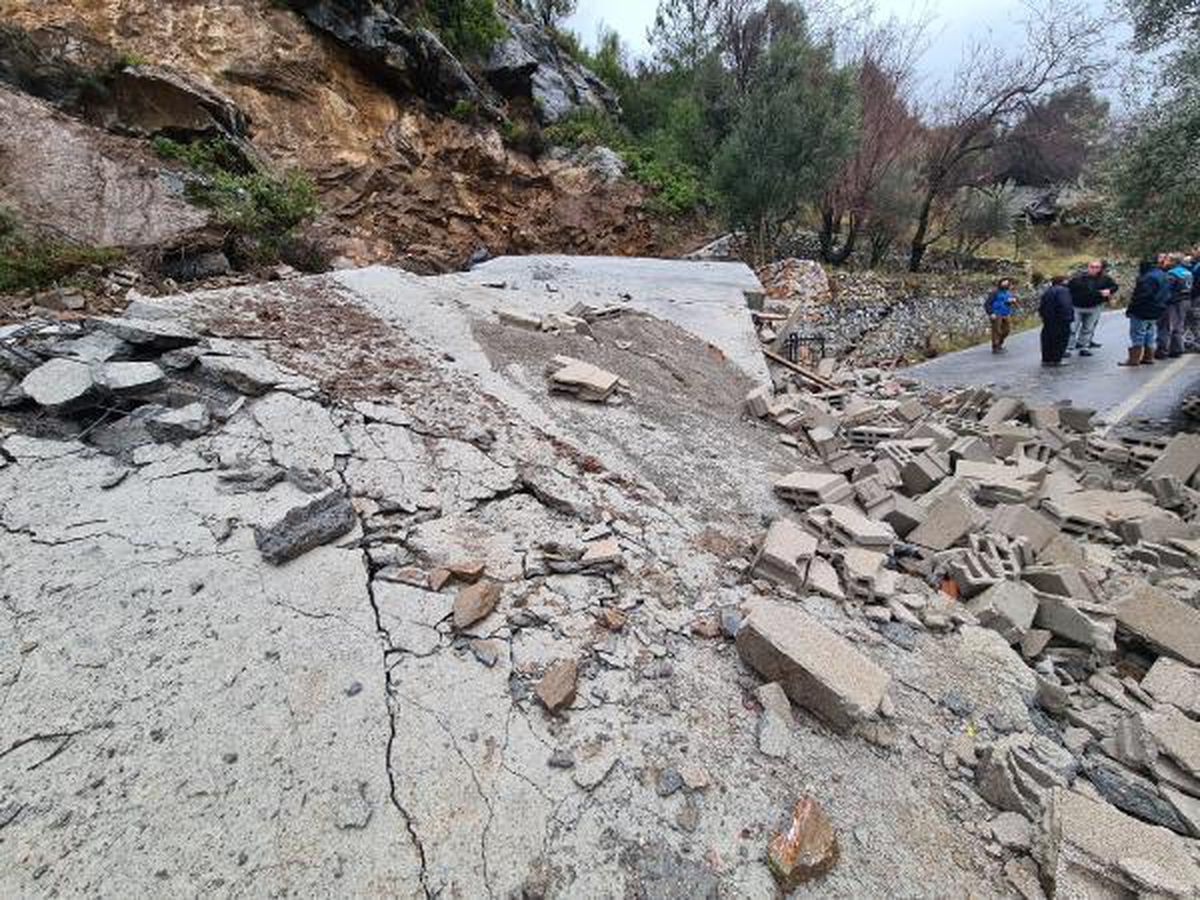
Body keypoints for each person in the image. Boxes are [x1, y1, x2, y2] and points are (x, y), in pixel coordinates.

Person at [1122, 257, 1170, 367]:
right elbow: (1167, 294)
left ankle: (1134, 359)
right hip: (1157, 309)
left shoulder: (1147, 278)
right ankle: (1148, 357)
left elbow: (1141, 296)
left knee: (1137, 334)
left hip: (1142, 311)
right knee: (1150, 333)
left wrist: (1131, 309)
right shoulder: (1162, 274)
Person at [1066, 259, 1118, 356]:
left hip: (1095, 307)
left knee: (1088, 328)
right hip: (1077, 307)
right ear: (1088, 267)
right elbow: (1067, 289)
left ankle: (1084, 347)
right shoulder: (1077, 278)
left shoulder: (1105, 279)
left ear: (1100, 268)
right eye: (1092, 267)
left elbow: (1115, 287)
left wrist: (1109, 291)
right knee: (1072, 328)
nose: (1094, 269)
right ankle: (1068, 348)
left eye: (1097, 267)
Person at [1158, 254, 1193, 358]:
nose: (1166, 261)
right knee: (1180, 325)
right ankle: (1177, 348)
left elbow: (1167, 289)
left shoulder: (1172, 273)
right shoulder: (1187, 272)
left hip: (1175, 302)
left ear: (1174, 261)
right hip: (1187, 300)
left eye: (1169, 260)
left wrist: (1162, 301)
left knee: (1170, 325)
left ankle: (1169, 349)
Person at [1039, 275, 1074, 366]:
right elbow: (1065, 305)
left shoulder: (1048, 291)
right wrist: (1069, 317)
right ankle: (1056, 359)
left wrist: (1044, 316)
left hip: (1048, 319)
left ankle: (1046, 359)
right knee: (1060, 340)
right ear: (1063, 281)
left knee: (1047, 339)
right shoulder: (1064, 291)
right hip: (1060, 319)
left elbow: (1042, 306)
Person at [986, 278, 1016, 353]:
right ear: (1000, 284)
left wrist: (1012, 301)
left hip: (1006, 314)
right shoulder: (995, 293)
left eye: (1007, 283)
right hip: (996, 314)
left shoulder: (1008, 293)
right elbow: (987, 304)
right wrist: (991, 313)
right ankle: (995, 347)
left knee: (1007, 330)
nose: (1005, 284)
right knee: (996, 331)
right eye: (1003, 283)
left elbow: (1010, 301)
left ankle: (999, 343)